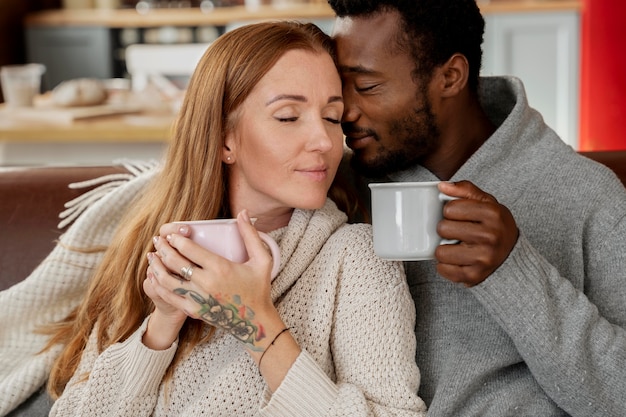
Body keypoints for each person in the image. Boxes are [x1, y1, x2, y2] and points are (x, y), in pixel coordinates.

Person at [18, 21, 428, 417]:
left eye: (332, 117)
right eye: (288, 117)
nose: (324, 141)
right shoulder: (160, 247)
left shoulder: (355, 260)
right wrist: (161, 326)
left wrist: (255, 322)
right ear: (222, 137)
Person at [327, 0, 626, 416]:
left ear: (449, 77)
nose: (346, 110)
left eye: (367, 86)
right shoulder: (333, 189)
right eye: (339, 86)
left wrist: (514, 272)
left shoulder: (588, 195)